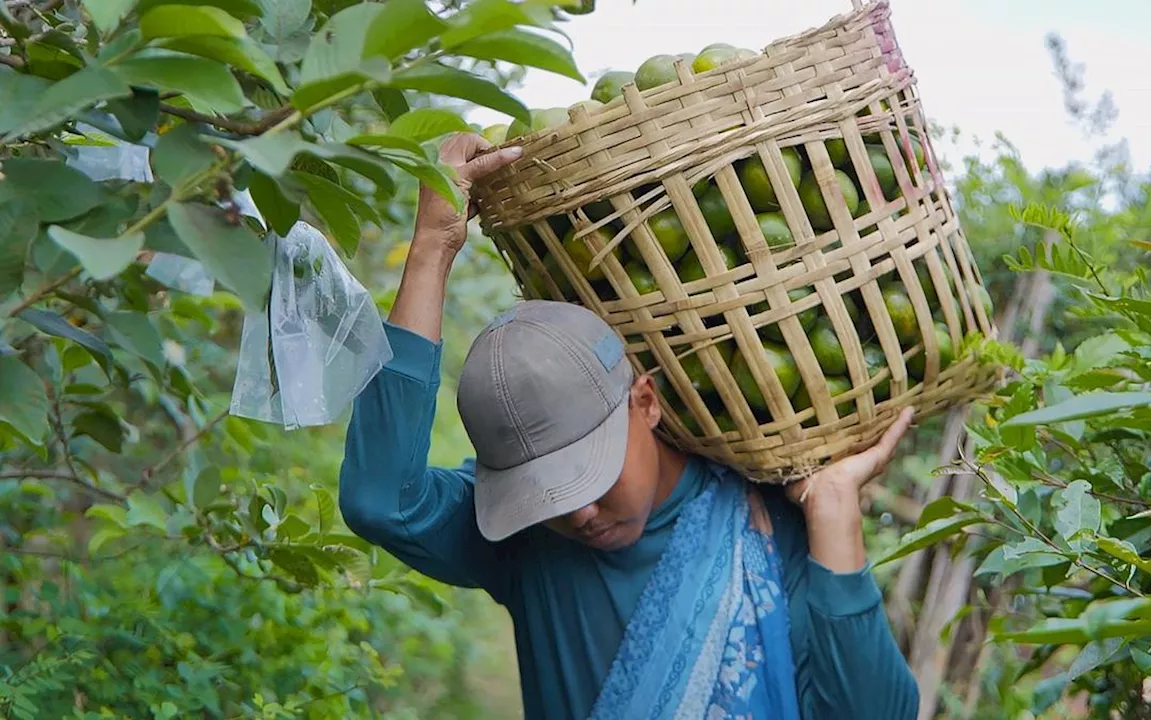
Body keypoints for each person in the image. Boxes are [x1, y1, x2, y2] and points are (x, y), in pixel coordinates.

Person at [339, 132, 921, 720]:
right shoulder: (525, 541)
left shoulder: (766, 527)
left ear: (645, 403)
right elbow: (381, 502)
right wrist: (433, 247)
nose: (578, 515)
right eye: (543, 496)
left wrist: (834, 511)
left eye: (588, 477)